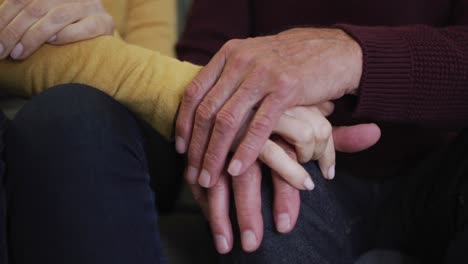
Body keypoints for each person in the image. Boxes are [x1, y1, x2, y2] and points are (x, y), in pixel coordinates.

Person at [0, 0, 380, 263]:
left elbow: (153, 56)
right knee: (66, 114)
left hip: (133, 124)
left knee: (74, 113)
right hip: (137, 112)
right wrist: (229, 105)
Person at [176, 0, 468, 263]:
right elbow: (205, 59)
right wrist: (252, 121)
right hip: (300, 165)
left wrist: (353, 57)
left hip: (440, 175)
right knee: (259, 176)